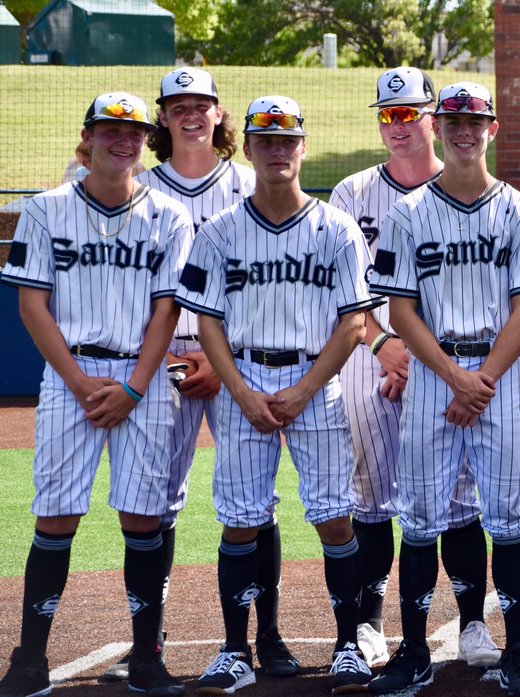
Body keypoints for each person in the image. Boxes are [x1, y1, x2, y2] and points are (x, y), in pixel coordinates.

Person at [92, 68, 299, 684]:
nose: (189, 115)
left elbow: (270, 277)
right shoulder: (136, 187)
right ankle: (148, 636)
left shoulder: (246, 182)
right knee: (153, 505)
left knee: (251, 502)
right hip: (159, 363)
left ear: (218, 114)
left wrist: (221, 358)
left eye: (200, 104)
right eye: (177, 105)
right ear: (161, 117)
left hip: (238, 359)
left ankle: (268, 634)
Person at [175, 95, 378, 694]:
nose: (277, 150)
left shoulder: (335, 227)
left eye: (287, 139)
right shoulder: (218, 232)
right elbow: (207, 320)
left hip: (315, 381)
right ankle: (236, 650)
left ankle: (347, 646)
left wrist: (305, 389)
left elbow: (354, 323)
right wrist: (238, 390)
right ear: (248, 149)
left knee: (335, 517)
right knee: (240, 521)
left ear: (303, 147)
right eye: (265, 140)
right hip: (244, 382)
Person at [0, 92, 192, 697]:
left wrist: (134, 388)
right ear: (88, 137)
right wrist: (81, 383)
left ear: (145, 141)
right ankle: (30, 658)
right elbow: (32, 305)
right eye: (110, 129)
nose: (123, 140)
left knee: (143, 516)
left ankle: (146, 656)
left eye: (134, 132)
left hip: (144, 380)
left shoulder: (169, 215)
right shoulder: (46, 209)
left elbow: (168, 309)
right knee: (56, 516)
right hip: (71, 377)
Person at [366, 82, 520, 697]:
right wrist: (453, 377)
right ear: (437, 127)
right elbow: (401, 309)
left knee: (509, 521)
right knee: (418, 522)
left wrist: (483, 380)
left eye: (476, 120)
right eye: (454, 120)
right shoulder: (408, 212)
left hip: (494, 382)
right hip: (431, 381)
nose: (465, 130)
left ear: (492, 129)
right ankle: (414, 651)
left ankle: (518, 650)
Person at [328, 66, 499, 670]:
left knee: (456, 494)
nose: (398, 126)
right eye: (387, 115)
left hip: (448, 361)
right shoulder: (350, 194)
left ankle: (473, 620)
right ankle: (371, 622)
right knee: (372, 493)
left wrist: (432, 360)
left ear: (434, 118)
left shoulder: (472, 189)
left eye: (408, 114)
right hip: (367, 355)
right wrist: (383, 346)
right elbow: (342, 289)